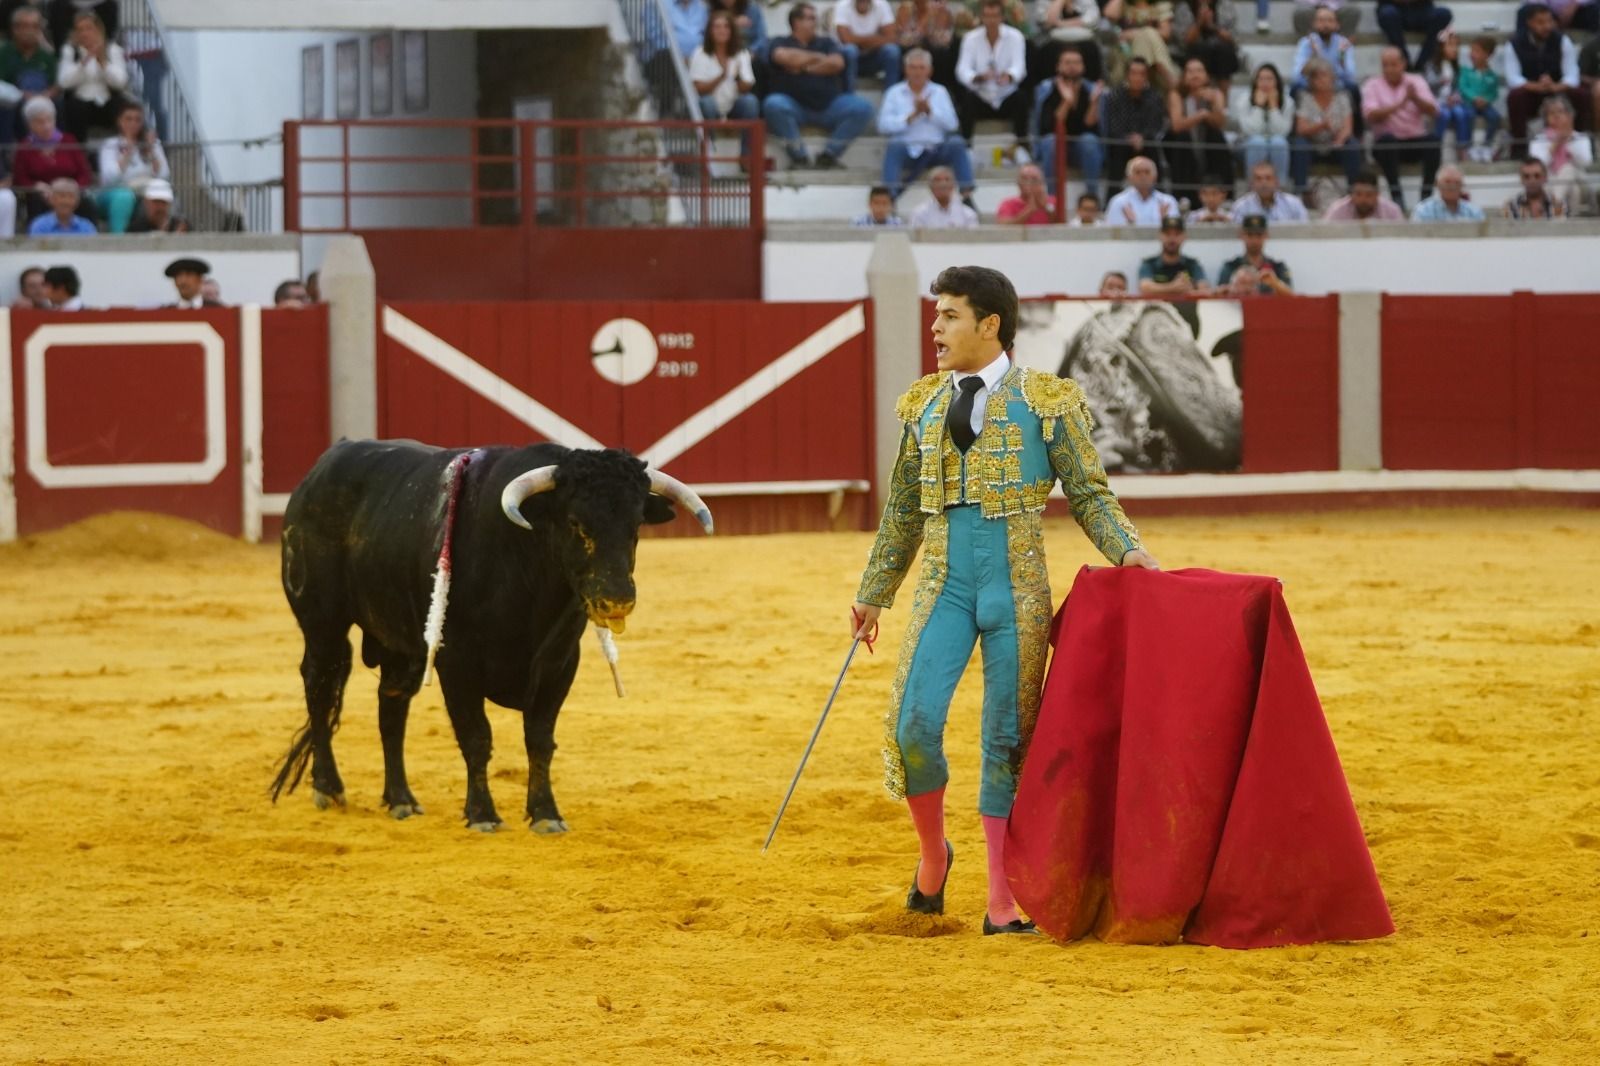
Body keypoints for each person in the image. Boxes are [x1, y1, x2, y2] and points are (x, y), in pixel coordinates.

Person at [851, 264, 1156, 936]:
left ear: (990, 325)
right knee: (912, 727)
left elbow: (1089, 492)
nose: (935, 327)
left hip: (1016, 589)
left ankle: (1000, 898)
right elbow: (903, 507)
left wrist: (1126, 550)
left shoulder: (1049, 401)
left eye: (949, 315)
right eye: (936, 315)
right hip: (943, 587)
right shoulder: (922, 405)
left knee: (1005, 740)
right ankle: (935, 855)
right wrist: (874, 591)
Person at [764, 3, 875, 169]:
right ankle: (799, 156)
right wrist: (820, 58)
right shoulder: (780, 41)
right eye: (810, 18)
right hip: (795, 106)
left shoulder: (827, 42)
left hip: (829, 105)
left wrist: (801, 66)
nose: (815, 22)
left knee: (864, 108)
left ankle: (829, 155)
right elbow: (782, 57)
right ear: (796, 22)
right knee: (773, 104)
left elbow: (837, 63)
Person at [879, 47, 973, 200]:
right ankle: (889, 198)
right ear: (905, 70)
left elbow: (953, 125)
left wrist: (930, 112)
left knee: (956, 142)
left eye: (921, 68)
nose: (917, 72)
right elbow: (883, 125)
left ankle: (967, 195)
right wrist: (910, 117)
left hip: (936, 150)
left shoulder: (940, 91)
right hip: (908, 150)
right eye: (913, 68)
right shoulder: (894, 92)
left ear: (929, 71)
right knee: (894, 144)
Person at [1363, 46, 1439, 210]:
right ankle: (1396, 195)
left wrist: (1415, 98)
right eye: (1385, 65)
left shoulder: (1416, 81)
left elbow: (1434, 111)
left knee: (1433, 140)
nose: (1389, 69)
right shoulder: (1372, 84)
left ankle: (1426, 195)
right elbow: (1371, 116)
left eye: (1393, 64)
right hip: (1387, 144)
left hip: (1414, 140)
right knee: (1387, 141)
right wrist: (1400, 103)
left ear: (1403, 64)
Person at [1505, 5, 1587, 155]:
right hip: (1531, 92)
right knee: (1515, 96)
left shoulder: (1562, 40)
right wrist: (1535, 86)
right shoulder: (1514, 44)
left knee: (1580, 94)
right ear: (1530, 23)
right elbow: (1513, 78)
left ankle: (1579, 142)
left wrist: (1556, 86)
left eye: (1549, 21)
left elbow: (1572, 74)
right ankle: (1520, 148)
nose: (1547, 26)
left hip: (1556, 91)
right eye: (1541, 22)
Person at [954, 0, 1030, 157]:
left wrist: (1009, 76)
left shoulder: (1016, 37)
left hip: (1005, 94)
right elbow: (962, 69)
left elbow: (1020, 67)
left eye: (995, 16)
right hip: (981, 94)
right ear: (981, 17)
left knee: (1022, 98)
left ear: (1002, 17)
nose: (991, 20)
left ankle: (1022, 145)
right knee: (967, 99)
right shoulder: (970, 38)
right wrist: (976, 77)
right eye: (987, 16)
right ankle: (966, 148)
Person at [1031, 45, 1104, 199]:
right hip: (1054, 147)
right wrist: (1067, 102)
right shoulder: (1046, 89)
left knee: (1089, 140)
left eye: (1077, 62)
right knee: (1051, 140)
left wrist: (1094, 103)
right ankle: (1053, 197)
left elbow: (1090, 126)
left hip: (1080, 149)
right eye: (1067, 62)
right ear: (1058, 66)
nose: (1072, 67)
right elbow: (1050, 126)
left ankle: (1092, 196)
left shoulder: (1090, 89)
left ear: (1083, 67)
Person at [13, 95, 93, 222]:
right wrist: (36, 186)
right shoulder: (24, 147)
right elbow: (20, 179)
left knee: (86, 202)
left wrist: (73, 186)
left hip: (70, 191)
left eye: (49, 120)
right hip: (42, 195)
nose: (46, 126)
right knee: (35, 200)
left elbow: (85, 174)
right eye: (40, 122)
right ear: (30, 124)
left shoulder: (69, 140)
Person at [1162, 56, 1232, 199]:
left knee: (1216, 136)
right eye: (1190, 71)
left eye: (1199, 71)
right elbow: (1177, 125)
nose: (1195, 75)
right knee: (1183, 137)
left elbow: (1220, 123)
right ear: (1184, 76)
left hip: (1206, 144)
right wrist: (1201, 115)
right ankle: (1183, 196)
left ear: (1206, 76)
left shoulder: (1216, 93)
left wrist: (1215, 104)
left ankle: (1223, 194)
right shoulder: (1176, 94)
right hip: (1181, 147)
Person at [96, 99, 168, 233]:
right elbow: (110, 179)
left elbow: (163, 175)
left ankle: (161, 233)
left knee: (161, 193)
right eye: (128, 119)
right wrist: (128, 153)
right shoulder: (110, 145)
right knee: (124, 196)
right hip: (117, 192)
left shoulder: (152, 143)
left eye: (137, 120)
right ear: (120, 121)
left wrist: (151, 150)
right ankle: (119, 238)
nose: (133, 123)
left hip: (145, 191)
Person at [1291, 56, 1361, 193]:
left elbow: (1348, 127)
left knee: (1351, 144)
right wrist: (1321, 126)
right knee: (1299, 145)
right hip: (1312, 145)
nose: (1322, 80)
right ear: (1311, 81)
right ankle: (1300, 192)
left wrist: (1339, 140)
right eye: (1317, 77)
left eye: (1325, 76)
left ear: (1333, 78)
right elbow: (1300, 129)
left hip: (1336, 144)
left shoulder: (1343, 97)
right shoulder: (1305, 98)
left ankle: (1354, 190)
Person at [56, 10, 126, 143]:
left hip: (106, 101)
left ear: (99, 30)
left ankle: (121, 147)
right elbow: (63, 82)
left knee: (122, 106)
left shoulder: (112, 49)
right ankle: (79, 152)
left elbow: (120, 82)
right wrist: (83, 63)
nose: (84, 33)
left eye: (89, 28)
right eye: (80, 30)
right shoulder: (70, 51)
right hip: (81, 102)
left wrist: (103, 63)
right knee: (74, 107)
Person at [1100, 57, 1168, 193]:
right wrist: (1129, 138)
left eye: (1141, 74)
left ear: (1147, 77)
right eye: (1133, 73)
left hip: (1146, 143)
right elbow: (1113, 126)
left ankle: (1161, 196)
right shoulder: (1115, 96)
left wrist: (1142, 138)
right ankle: (1110, 199)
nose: (1137, 77)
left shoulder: (1155, 97)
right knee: (1117, 150)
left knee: (1153, 148)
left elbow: (1157, 125)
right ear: (1127, 75)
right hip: (1122, 142)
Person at [690, 10, 759, 141]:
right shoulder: (700, 53)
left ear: (732, 31)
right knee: (706, 102)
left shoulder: (741, 53)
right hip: (711, 108)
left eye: (726, 26)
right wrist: (721, 76)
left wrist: (738, 77)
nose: (722, 30)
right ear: (710, 31)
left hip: (734, 106)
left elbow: (747, 88)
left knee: (751, 101)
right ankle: (710, 147)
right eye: (717, 26)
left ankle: (747, 155)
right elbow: (698, 89)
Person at [1527, 95, 1592, 215]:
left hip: (1579, 179)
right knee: (1573, 191)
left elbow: (1585, 162)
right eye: (1551, 113)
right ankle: (1563, 221)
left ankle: (1554, 204)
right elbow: (1537, 166)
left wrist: (1568, 141)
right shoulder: (1538, 140)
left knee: (1568, 169)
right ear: (1546, 118)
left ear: (1569, 115)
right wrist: (1555, 144)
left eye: (1561, 112)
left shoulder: (1580, 138)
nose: (1556, 116)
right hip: (1551, 182)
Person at [0, 4, 58, 133]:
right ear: (15, 28)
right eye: (25, 26)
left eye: (35, 26)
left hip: (42, 102)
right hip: (13, 104)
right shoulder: (3, 53)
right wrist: (23, 95)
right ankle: (5, 151)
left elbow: (56, 85)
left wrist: (46, 95)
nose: (30, 31)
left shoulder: (47, 56)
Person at [1233, 63, 1293, 180]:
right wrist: (1259, 107)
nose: (1265, 83)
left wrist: (1273, 107)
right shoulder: (1243, 100)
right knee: (1257, 142)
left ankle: (1279, 188)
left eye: (1269, 79)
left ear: (1277, 82)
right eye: (1261, 79)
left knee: (1279, 142)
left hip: (1275, 143)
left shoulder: (1288, 101)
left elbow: (1282, 132)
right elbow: (1251, 131)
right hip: (1246, 144)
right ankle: (1254, 187)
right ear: (1255, 82)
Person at [1105, 0, 1180, 88]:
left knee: (1149, 33)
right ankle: (1165, 71)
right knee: (1148, 33)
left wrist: (1137, 33)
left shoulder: (1161, 5)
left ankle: (1141, 79)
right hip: (1126, 51)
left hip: (1153, 52)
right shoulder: (1124, 6)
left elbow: (1165, 33)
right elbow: (1109, 14)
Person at [1171, 0, 1240, 92]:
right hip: (1193, 51)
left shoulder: (1225, 5)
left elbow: (1232, 39)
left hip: (1220, 51)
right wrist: (1199, 22)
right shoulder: (1184, 8)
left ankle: (1223, 99)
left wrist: (1213, 26)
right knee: (1198, 51)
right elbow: (1185, 41)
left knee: (1225, 51)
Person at [1217, 213, 1293, 294]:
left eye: (1259, 235)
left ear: (1266, 235)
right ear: (1241, 235)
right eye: (1250, 235)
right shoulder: (1230, 267)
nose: (1254, 240)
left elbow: (1292, 299)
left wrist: (1275, 284)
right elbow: (1219, 296)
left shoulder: (1277, 267)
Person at [834, 0, 902, 89]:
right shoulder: (842, 5)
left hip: (873, 56)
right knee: (850, 50)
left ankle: (891, 95)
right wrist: (876, 38)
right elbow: (846, 39)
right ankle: (849, 95)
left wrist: (858, 41)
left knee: (892, 51)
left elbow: (891, 38)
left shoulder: (882, 4)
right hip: (851, 59)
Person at [1291, 4, 1358, 94]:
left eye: (1330, 21)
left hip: (1336, 85)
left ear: (1337, 25)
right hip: (1312, 84)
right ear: (1314, 24)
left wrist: (1341, 57)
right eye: (1321, 21)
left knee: (1352, 88)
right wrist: (1313, 58)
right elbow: (1296, 76)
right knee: (1296, 87)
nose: (1325, 25)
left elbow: (1351, 76)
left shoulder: (1343, 43)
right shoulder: (1306, 42)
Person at [1456, 34, 1502, 162]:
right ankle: (1468, 146)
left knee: (1495, 117)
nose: (1472, 54)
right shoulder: (1466, 71)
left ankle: (1486, 146)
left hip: (1484, 104)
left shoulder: (1491, 75)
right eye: (1472, 50)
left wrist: (1486, 99)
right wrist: (1474, 98)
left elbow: (1494, 92)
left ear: (1487, 55)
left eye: (1477, 51)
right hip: (1469, 103)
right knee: (1469, 115)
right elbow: (1463, 87)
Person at [1138, 215, 1210, 294]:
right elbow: (1145, 288)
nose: (1172, 238)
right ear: (1160, 236)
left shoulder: (1192, 265)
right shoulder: (1149, 264)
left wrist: (1189, 291)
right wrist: (1174, 287)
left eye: (1177, 234)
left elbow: (1204, 290)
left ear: (1184, 236)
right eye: (1167, 234)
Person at [893, 0, 958, 86]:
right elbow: (906, 41)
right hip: (909, 53)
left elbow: (943, 42)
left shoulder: (942, 11)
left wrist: (935, 21)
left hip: (936, 58)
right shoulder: (905, 9)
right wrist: (927, 17)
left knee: (943, 53)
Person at [1375, 0, 1452, 72]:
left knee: (1444, 14)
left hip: (1421, 10)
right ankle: (1404, 61)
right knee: (1387, 14)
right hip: (1393, 9)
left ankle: (1423, 62)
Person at [1105, 152, 1180, 224]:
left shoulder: (1168, 201)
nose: (1143, 177)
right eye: (1138, 172)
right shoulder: (1118, 202)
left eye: (1147, 172)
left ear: (1155, 177)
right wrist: (1130, 224)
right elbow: (1112, 234)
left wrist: (1164, 222)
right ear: (1129, 177)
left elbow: (1175, 234)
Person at [1229, 159, 1308, 222]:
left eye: (1268, 178)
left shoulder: (1294, 204)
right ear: (1252, 184)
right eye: (1258, 179)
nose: (1264, 183)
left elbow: (1305, 231)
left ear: (1276, 182)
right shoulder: (1241, 206)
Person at [908, 164, 980, 226]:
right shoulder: (919, 214)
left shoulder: (968, 214)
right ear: (930, 187)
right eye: (937, 180)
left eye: (947, 179)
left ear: (953, 186)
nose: (942, 184)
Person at [1320, 167, 1405, 219]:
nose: (1363, 200)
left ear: (1377, 194)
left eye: (1368, 195)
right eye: (1358, 194)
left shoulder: (1392, 211)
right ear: (1351, 194)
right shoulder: (1337, 210)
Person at [1410, 163, 1483, 219]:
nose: (1452, 186)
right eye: (1447, 181)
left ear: (1462, 185)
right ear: (1437, 184)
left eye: (1457, 182)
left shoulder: (1474, 211)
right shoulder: (1423, 210)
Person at [1502, 156, 1566, 218]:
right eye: (1526, 176)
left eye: (1537, 176)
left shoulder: (1558, 205)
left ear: (1545, 177)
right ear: (1521, 179)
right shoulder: (1511, 206)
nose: (1532, 181)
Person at [26, 175, 94, 234]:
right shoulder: (39, 226)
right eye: (62, 196)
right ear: (51, 199)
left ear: (77, 201)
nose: (66, 201)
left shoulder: (86, 227)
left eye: (71, 196)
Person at [1291, 0, 1359, 37]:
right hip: (1311, 8)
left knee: (1352, 12)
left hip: (1336, 8)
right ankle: (1307, 41)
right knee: (1301, 12)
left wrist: (1329, 9)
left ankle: (1343, 44)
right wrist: (1320, 7)